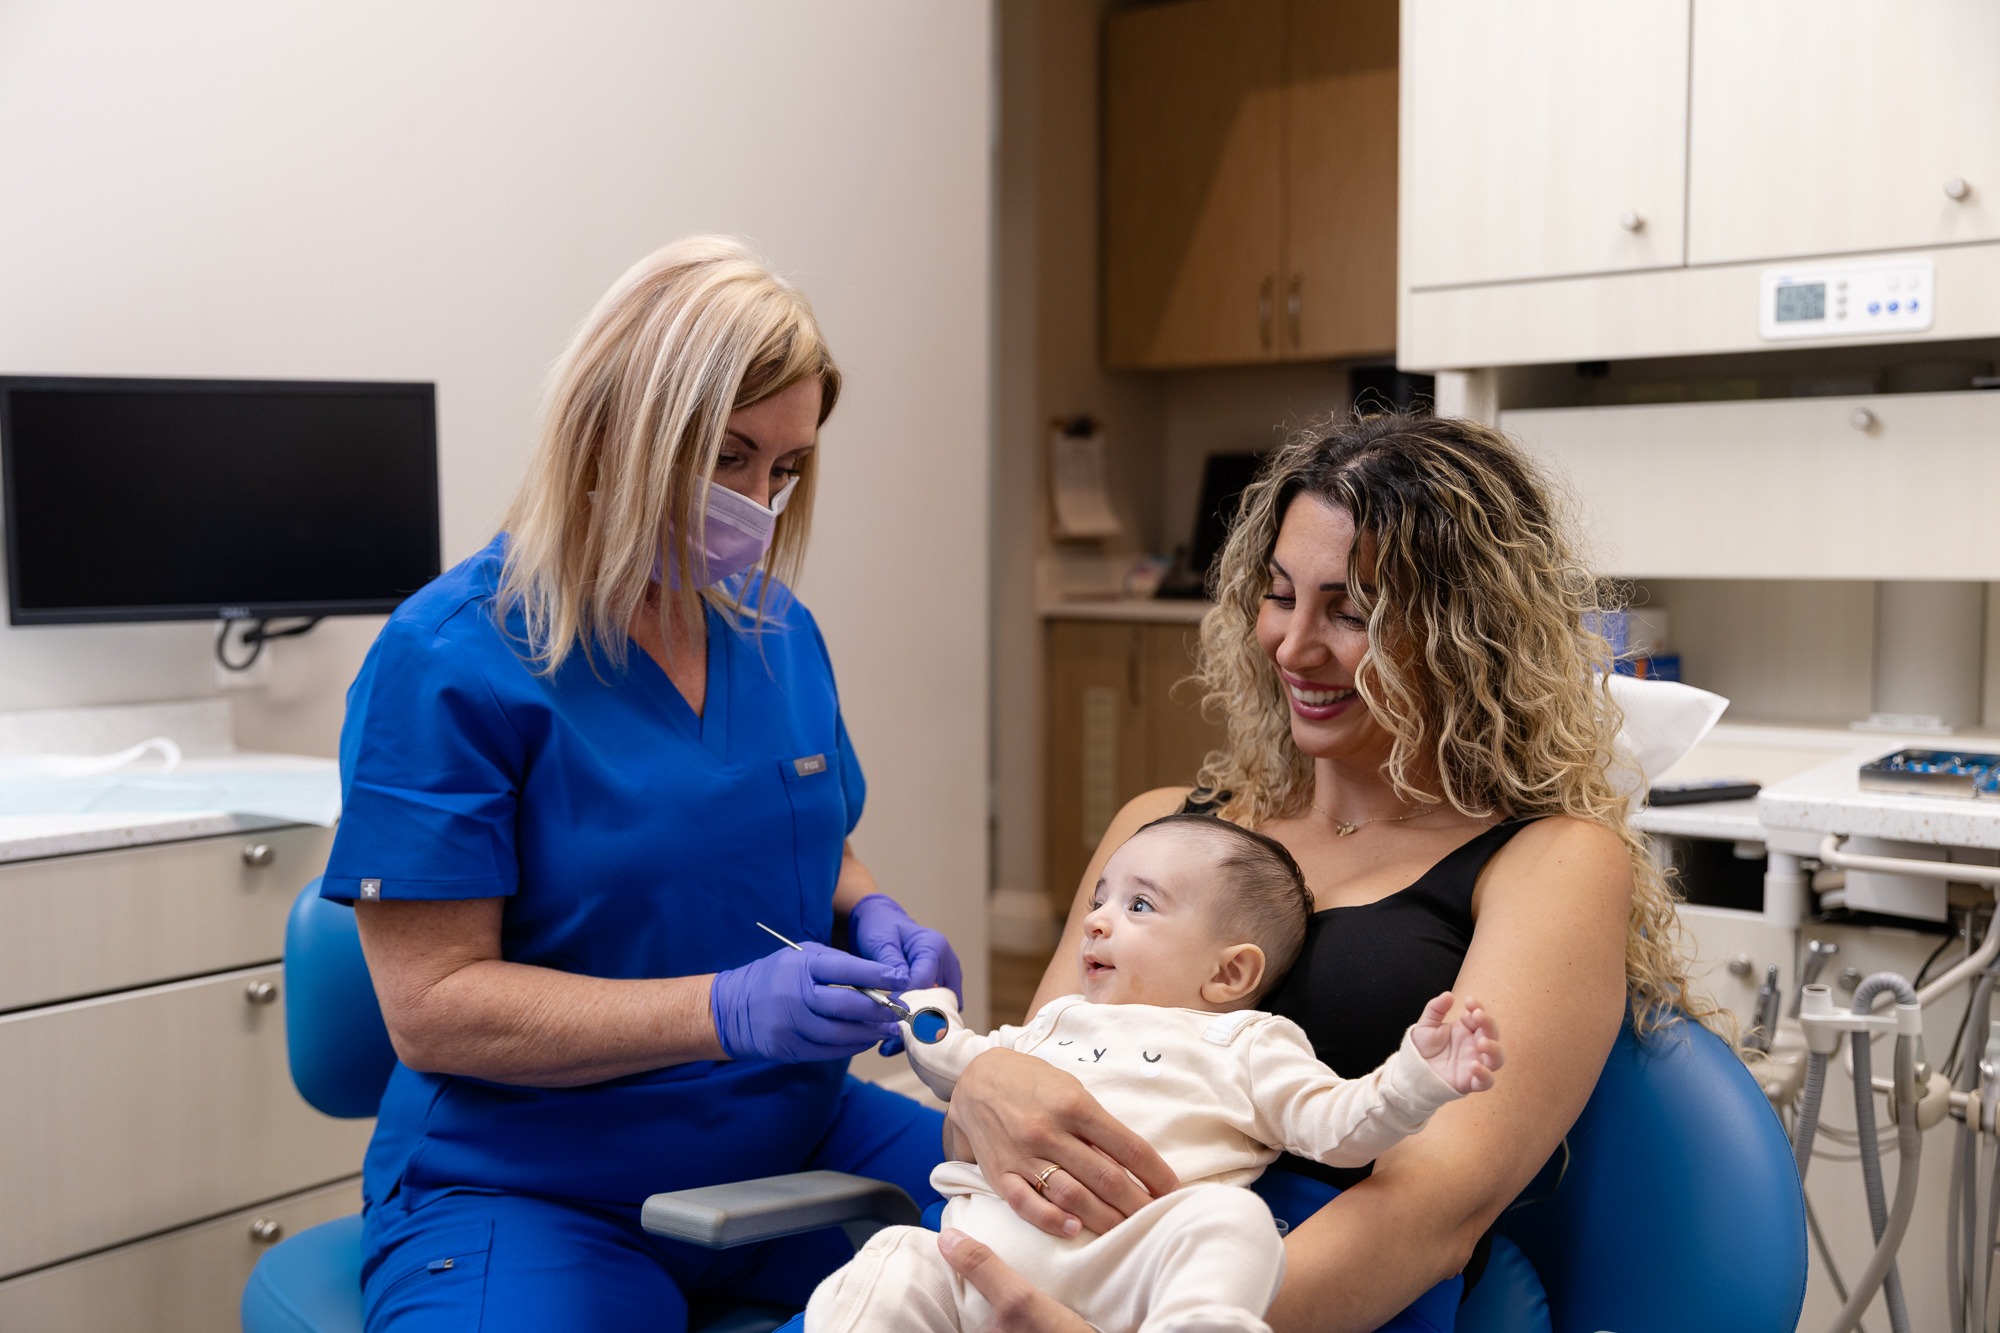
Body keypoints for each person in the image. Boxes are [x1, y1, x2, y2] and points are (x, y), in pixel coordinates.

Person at [935, 414, 1708, 1333]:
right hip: (1029, 1278)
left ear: (1467, 631)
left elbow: (1434, 1212)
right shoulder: (1160, 829)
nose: (1294, 647)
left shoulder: (1552, 862)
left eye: (1352, 611)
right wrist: (979, 1090)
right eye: (1279, 594)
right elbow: (1016, 1112)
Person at [319, 236, 961, 1331]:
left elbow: (808, 835)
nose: (760, 503)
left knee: (1120, 1244)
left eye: (786, 466)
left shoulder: (778, 635)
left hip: (797, 1140)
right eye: (728, 457)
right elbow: (433, 1010)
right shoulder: (448, 658)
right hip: (532, 1183)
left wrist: (872, 911)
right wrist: (723, 1008)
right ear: (615, 430)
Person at [805, 813, 1502, 1333]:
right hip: (974, 1259)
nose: (1098, 922)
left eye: (1138, 905)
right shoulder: (1057, 1021)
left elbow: (1343, 1127)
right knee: (894, 1258)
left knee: (1233, 1222)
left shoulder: (1248, 1044)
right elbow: (966, 1062)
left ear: (1230, 971)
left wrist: (1417, 1075)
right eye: (1099, 900)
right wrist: (921, 1017)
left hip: (1129, 1270)